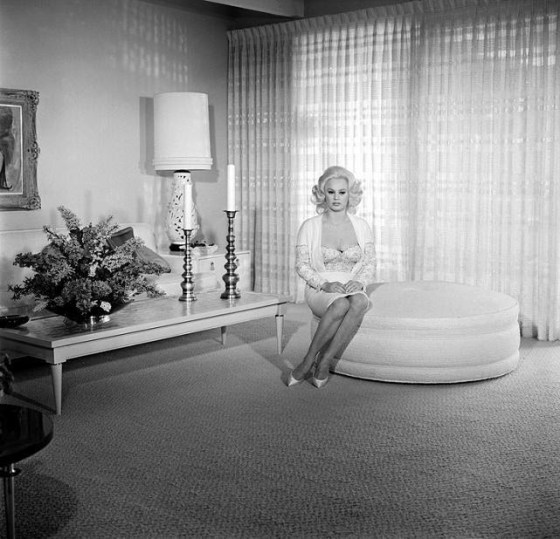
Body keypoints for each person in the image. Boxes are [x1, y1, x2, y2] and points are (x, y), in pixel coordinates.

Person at [289, 166, 376, 388]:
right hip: (320, 287)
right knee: (340, 305)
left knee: (360, 302)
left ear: (350, 195)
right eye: (331, 192)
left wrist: (360, 282)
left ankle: (324, 361)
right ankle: (308, 360)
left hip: (351, 284)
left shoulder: (362, 226)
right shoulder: (309, 226)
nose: (336, 198)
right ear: (322, 194)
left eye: (342, 192)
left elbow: (369, 263)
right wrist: (325, 284)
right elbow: (302, 265)